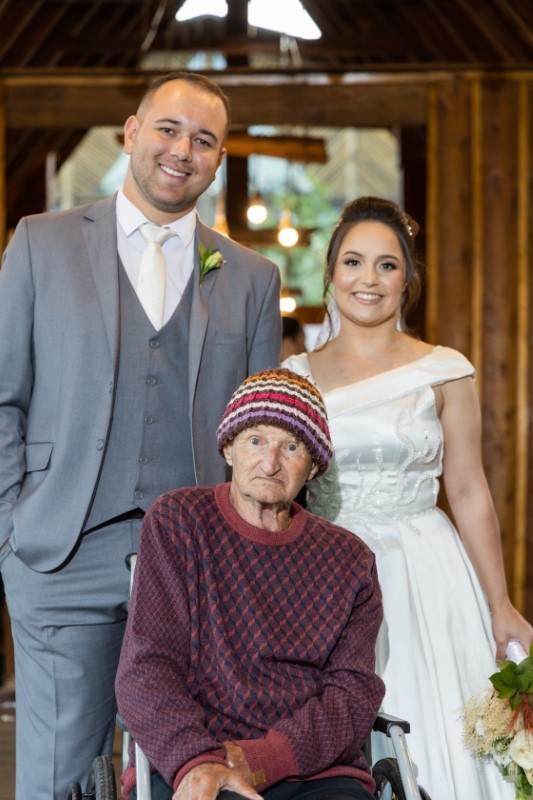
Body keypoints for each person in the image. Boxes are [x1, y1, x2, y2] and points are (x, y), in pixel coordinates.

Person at [0, 71, 281, 799]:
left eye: (204, 139)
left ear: (219, 159)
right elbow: (3, 398)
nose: (182, 150)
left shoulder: (251, 277)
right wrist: (11, 529)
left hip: (198, 568)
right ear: (130, 132)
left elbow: (260, 434)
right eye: (168, 129)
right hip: (60, 552)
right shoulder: (40, 244)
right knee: (60, 777)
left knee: (190, 772)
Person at [283, 196, 533, 800]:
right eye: (353, 262)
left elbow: (468, 490)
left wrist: (500, 604)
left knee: (438, 726)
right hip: (327, 571)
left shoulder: (444, 371)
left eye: (387, 265)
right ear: (331, 273)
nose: (368, 279)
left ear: (407, 279)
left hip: (425, 571)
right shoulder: (294, 374)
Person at [116, 368, 384, 800]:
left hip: (310, 768)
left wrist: (263, 759)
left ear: (314, 466)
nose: (270, 462)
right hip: (195, 752)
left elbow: (351, 696)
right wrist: (198, 760)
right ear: (228, 447)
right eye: (256, 440)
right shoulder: (178, 522)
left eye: (291, 447)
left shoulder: (350, 561)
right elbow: (147, 667)